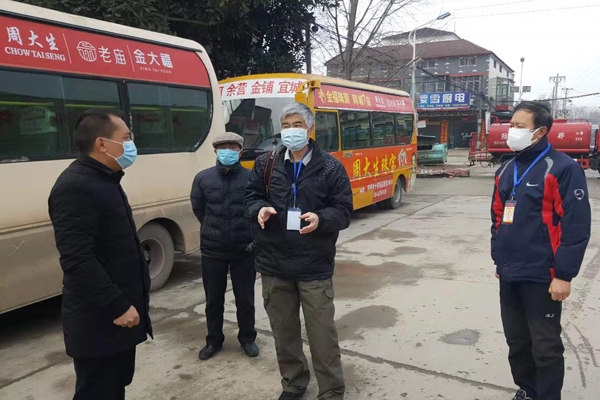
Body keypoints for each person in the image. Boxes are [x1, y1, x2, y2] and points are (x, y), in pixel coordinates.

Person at [245, 102, 352, 400]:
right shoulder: (266, 163)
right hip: (274, 263)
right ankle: (293, 383)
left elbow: (344, 210)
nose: (291, 131)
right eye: (286, 125)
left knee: (322, 335)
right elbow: (250, 197)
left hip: (313, 265)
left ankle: (331, 390)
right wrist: (259, 208)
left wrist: (321, 218)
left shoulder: (330, 167)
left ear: (310, 128)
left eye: (297, 125)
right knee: (284, 332)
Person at [48, 109, 152, 400]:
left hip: (118, 319)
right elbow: (77, 259)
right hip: (99, 323)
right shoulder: (75, 187)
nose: (131, 144)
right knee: (98, 391)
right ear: (102, 144)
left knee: (116, 387)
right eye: (126, 138)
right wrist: (117, 306)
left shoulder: (106, 179)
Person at [490, 101, 591, 400]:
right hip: (510, 273)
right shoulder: (506, 169)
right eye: (511, 125)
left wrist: (564, 275)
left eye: (519, 127)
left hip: (543, 276)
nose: (511, 131)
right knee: (517, 342)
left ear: (540, 131)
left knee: (545, 347)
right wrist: (499, 260)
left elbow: (575, 226)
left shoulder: (562, 168)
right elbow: (497, 217)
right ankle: (528, 390)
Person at [191, 132, 258, 360]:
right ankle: (214, 340)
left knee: (245, 299)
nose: (227, 151)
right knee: (213, 300)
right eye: (222, 147)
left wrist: (250, 237)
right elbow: (199, 209)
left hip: (244, 249)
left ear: (240, 151)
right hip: (213, 250)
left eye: (232, 147)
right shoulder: (203, 178)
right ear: (215, 151)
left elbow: (257, 209)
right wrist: (213, 230)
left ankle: (247, 338)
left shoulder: (251, 178)